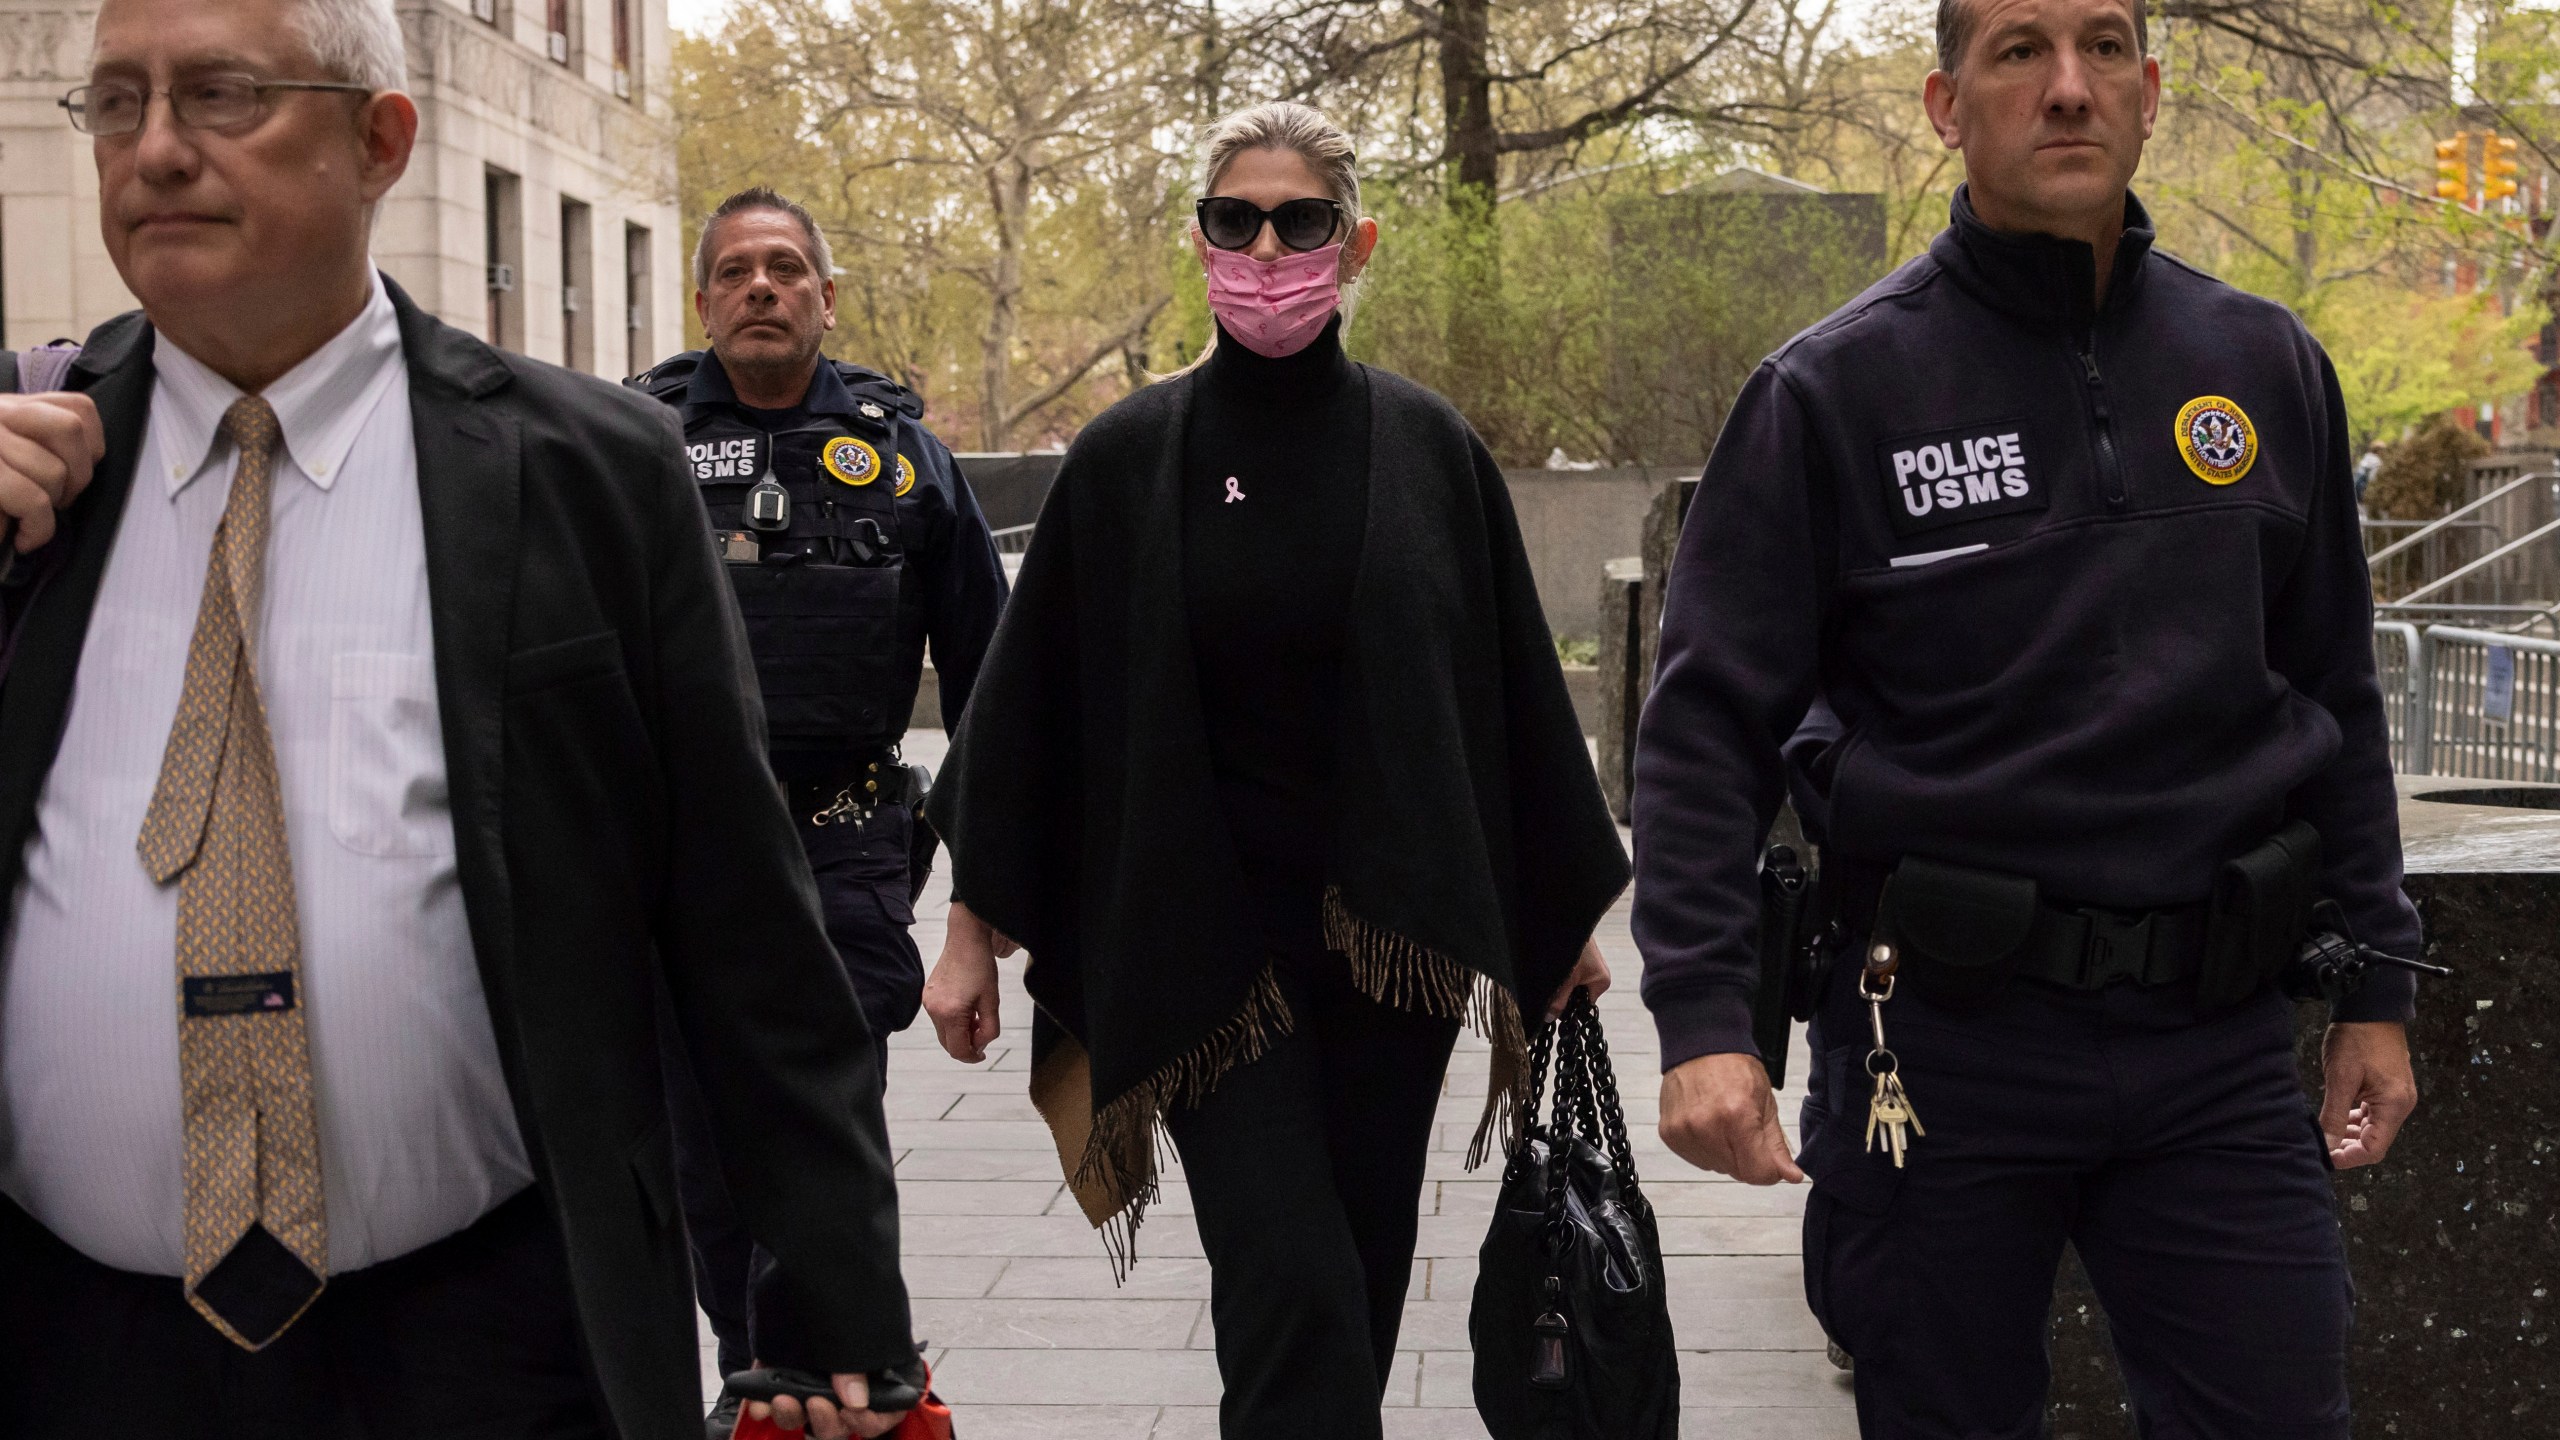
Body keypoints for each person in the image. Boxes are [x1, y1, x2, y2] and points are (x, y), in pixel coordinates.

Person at [0, 1, 914, 1436]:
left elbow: (739, 915)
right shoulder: (24, 476)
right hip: (65, 1350)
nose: (157, 150)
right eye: (117, 103)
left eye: (222, 94)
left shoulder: (591, 472)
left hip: (489, 1345)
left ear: (380, 140)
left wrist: (833, 1301)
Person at [1631, 0, 2422, 1432]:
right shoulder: (1832, 390)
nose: (2070, 88)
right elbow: (1703, 732)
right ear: (1946, 105)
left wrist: (2377, 985)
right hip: (1937, 1048)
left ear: (2150, 90)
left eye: (2104, 48)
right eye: (2020, 53)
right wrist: (1701, 1016)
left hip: (2218, 1044)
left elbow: (2338, 699)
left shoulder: (2266, 363)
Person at [920, 100, 1628, 1439]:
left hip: (1390, 949)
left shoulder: (1429, 451)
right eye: (1233, 218)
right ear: (1199, 238)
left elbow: (1511, 698)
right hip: (1205, 945)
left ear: (1354, 242)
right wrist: (966, 932)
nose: (1265, 244)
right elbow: (1027, 710)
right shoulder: (1131, 458)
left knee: (1349, 1284)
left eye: (1299, 220)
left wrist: (1560, 919)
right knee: (1289, 1278)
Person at [629, 186, 1005, 1438]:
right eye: (734, 270)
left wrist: (972, 909)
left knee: (817, 1126)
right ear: (703, 302)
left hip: (842, 852)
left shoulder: (903, 460)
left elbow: (994, 686)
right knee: (709, 1175)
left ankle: (819, 1378)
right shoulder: (634, 449)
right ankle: (772, 1382)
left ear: (826, 297)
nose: (761, 286)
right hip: (679, 864)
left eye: (787, 267)